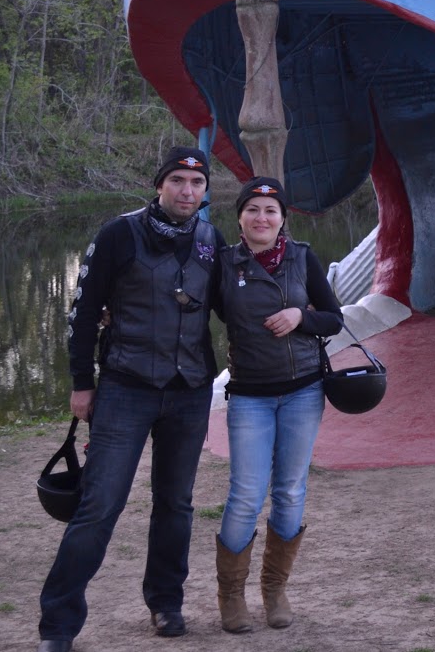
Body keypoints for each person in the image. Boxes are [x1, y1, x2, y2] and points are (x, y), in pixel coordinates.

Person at [38, 147, 224, 651]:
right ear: (160, 184)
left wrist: (298, 305)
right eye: (178, 181)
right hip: (125, 388)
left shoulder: (211, 240)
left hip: (189, 392)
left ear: (206, 191)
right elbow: (82, 313)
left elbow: (233, 305)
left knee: (176, 504)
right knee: (99, 506)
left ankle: (166, 603)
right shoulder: (119, 233)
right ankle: (58, 625)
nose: (188, 191)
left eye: (197, 182)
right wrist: (82, 382)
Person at [213, 177, 343, 634]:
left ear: (282, 218)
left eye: (271, 210)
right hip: (250, 395)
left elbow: (334, 317)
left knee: (290, 491)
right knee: (246, 494)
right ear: (240, 218)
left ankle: (274, 590)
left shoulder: (303, 258)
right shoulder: (224, 265)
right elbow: (190, 311)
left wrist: (300, 317)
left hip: (304, 392)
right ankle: (231, 596)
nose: (262, 218)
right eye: (253, 210)